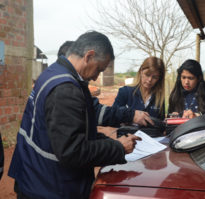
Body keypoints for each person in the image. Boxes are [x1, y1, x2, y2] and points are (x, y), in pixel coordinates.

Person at [8, 31, 152, 199]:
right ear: (89, 56)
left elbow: (76, 128)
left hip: (35, 176)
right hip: (50, 187)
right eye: (99, 69)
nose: (97, 76)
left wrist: (108, 142)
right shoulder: (66, 89)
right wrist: (118, 148)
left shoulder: (54, 73)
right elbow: (72, 151)